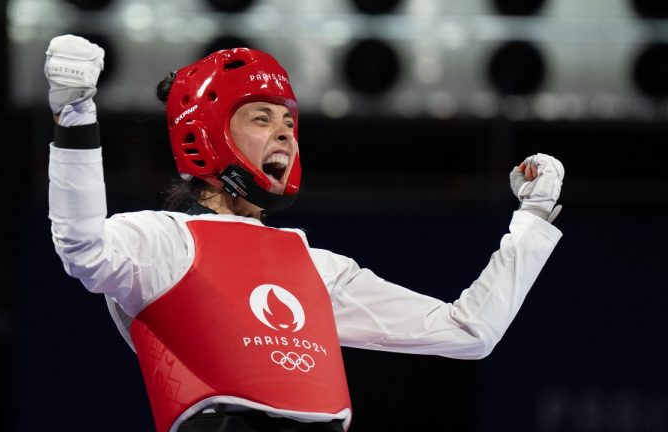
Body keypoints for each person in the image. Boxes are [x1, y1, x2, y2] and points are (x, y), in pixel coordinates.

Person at [45, 35, 564, 432]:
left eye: (289, 123)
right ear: (204, 136)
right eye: (261, 117)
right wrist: (75, 113)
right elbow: (81, 245)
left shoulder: (317, 268)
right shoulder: (161, 242)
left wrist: (533, 223)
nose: (285, 134)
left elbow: (469, 331)